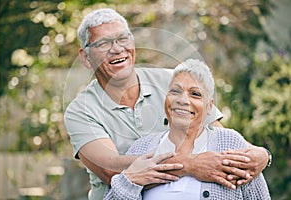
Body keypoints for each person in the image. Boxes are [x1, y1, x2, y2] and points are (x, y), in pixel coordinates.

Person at [64, 8, 271, 200]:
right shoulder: (80, 111)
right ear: (86, 58)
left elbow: (218, 139)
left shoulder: (172, 82)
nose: (117, 49)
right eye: (103, 43)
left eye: (122, 38)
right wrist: (189, 163)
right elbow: (111, 170)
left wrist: (262, 154)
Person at [104, 59, 271, 200]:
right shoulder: (141, 147)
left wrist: (265, 155)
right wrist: (130, 181)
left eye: (195, 94)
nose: (183, 100)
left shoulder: (230, 143)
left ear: (209, 107)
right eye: (175, 91)